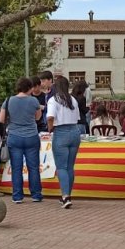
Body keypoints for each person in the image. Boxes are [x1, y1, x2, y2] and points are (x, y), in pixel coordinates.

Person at [0, 77, 43, 204]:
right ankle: (36, 194)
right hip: (31, 137)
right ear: (29, 88)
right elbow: (38, 117)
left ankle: (17, 196)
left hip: (14, 137)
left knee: (16, 167)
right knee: (33, 167)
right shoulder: (34, 101)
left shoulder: (9, 100)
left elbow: (1, 119)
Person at [47, 76, 81, 209]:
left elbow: (50, 117)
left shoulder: (53, 100)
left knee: (61, 167)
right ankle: (67, 195)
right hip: (74, 131)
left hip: (61, 132)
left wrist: (50, 128)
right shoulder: (73, 100)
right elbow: (78, 118)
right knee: (70, 166)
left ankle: (65, 195)